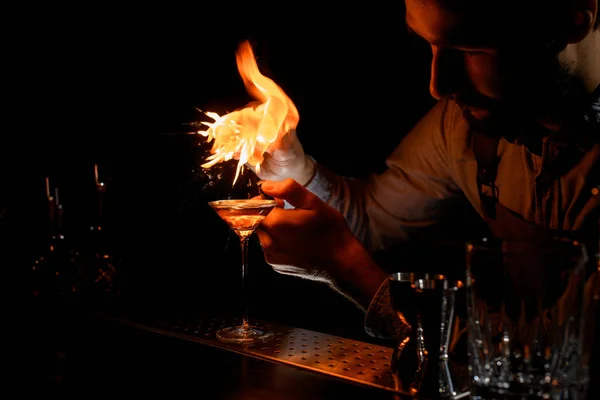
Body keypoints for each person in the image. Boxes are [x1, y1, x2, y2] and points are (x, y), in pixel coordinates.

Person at [251, 0, 600, 340]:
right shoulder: (467, 124)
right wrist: (292, 169)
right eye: (429, 44)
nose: (438, 86)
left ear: (573, 22)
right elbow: (372, 218)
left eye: (470, 49)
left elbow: (556, 351)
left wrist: (350, 271)